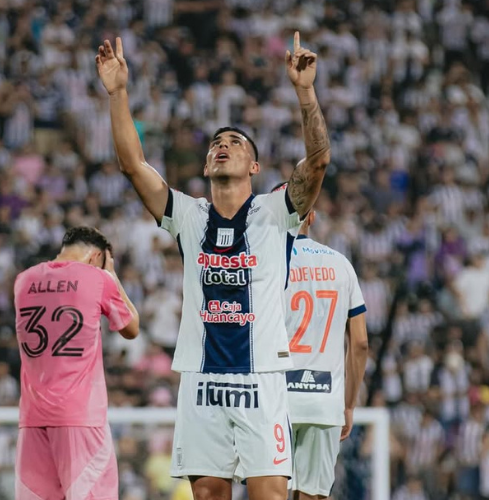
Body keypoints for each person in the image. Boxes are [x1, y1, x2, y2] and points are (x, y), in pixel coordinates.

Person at [96, 30, 330, 500]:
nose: (223, 145)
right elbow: (132, 165)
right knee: (206, 495)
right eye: (216, 143)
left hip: (261, 376)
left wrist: (305, 92)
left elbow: (318, 161)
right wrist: (119, 93)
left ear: (255, 167)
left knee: (269, 496)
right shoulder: (189, 215)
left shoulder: (275, 210)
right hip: (202, 379)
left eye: (236, 143)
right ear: (206, 165)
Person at [13, 226, 139, 500]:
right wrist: (112, 277)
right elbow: (131, 328)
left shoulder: (23, 280)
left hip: (32, 418)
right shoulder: (97, 278)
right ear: (96, 257)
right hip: (81, 416)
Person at [277, 195, 369, 500]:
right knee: (314, 495)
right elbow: (359, 343)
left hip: (277, 399)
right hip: (325, 399)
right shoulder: (341, 265)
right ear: (311, 218)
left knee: (271, 492)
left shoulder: (267, 264)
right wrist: (349, 404)